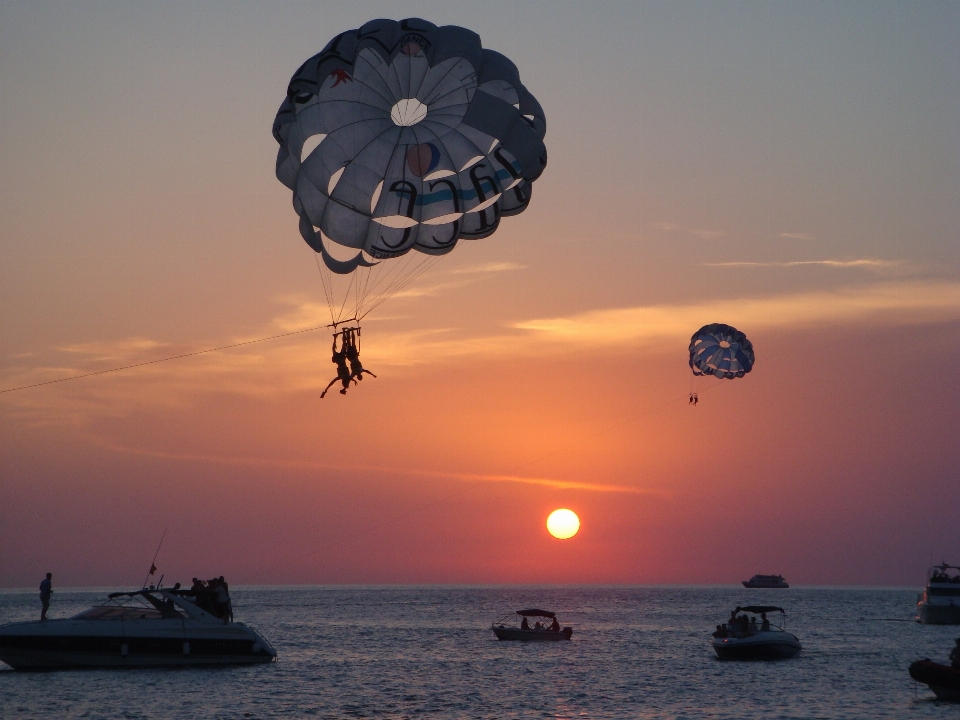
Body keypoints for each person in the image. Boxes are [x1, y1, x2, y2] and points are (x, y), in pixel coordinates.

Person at [321, 333, 356, 398]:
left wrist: (326, 390)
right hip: (339, 361)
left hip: (341, 360)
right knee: (334, 350)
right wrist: (326, 390)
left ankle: (341, 337)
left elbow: (333, 383)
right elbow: (332, 383)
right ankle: (336, 338)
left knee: (343, 347)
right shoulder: (341, 377)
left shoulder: (346, 377)